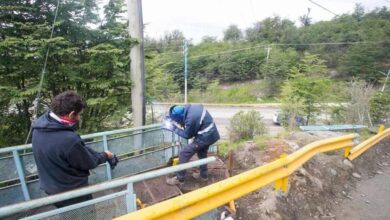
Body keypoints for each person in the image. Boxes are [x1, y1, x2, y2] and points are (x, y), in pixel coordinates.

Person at [32, 91, 118, 208]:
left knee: (67, 215)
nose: (79, 117)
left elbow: (74, 151)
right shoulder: (68, 139)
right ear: (71, 114)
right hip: (72, 192)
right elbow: (89, 162)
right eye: (79, 114)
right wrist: (106, 155)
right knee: (85, 215)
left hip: (51, 188)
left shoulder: (40, 127)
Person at [163, 104, 220, 185]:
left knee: (183, 154)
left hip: (205, 137)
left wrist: (173, 128)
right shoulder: (189, 108)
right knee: (202, 154)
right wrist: (172, 119)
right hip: (211, 134)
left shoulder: (191, 119)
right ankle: (204, 176)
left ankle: (180, 179)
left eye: (176, 120)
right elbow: (190, 122)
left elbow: (187, 135)